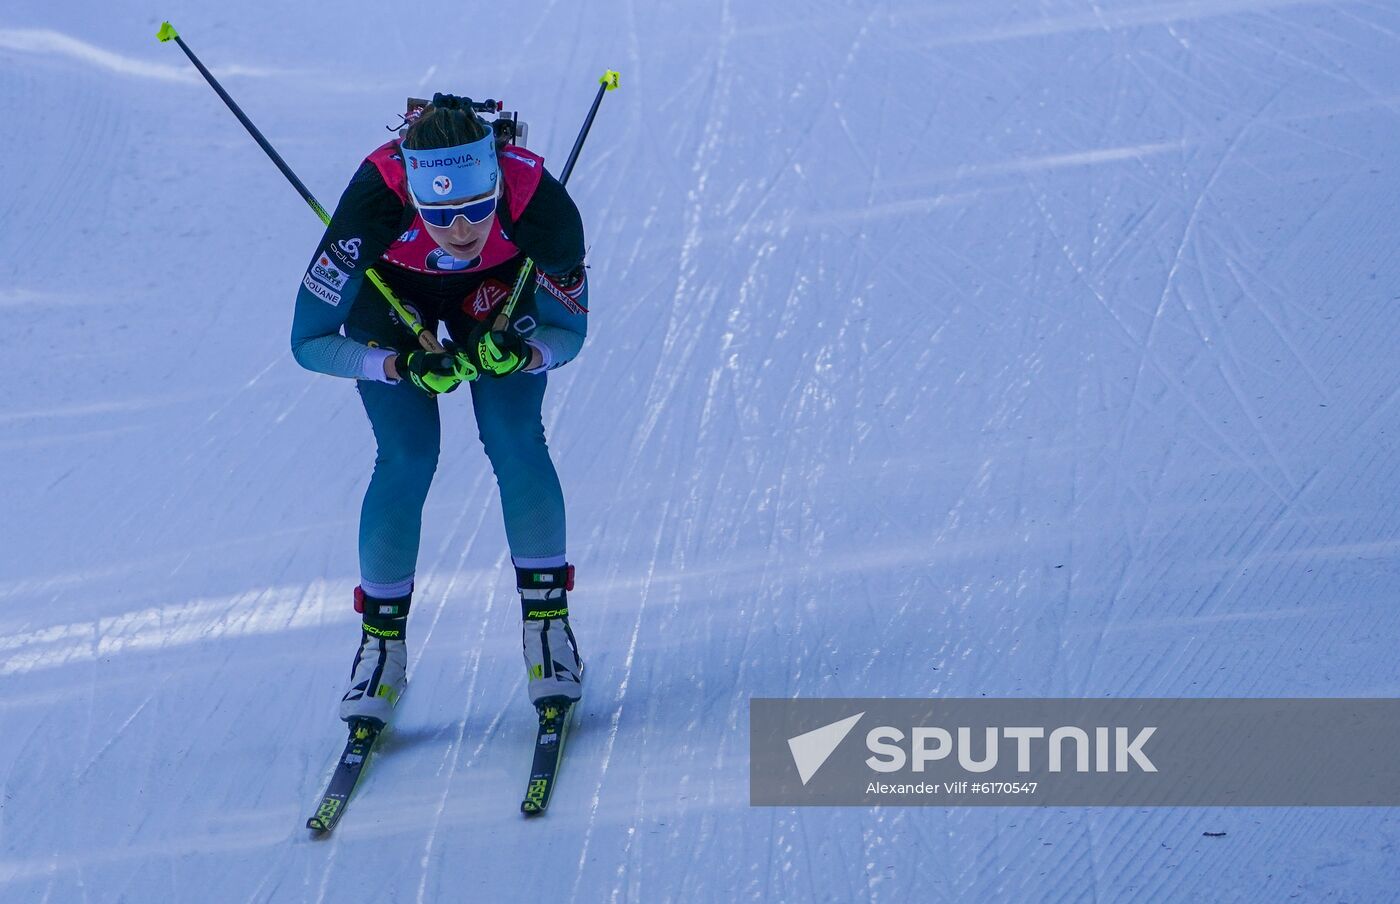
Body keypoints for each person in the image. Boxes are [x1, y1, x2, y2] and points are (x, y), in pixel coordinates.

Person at [289, 93, 587, 726]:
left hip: (501, 289)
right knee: (407, 454)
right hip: (391, 292)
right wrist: (395, 366)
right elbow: (308, 343)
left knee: (514, 435)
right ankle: (380, 647)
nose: (461, 231)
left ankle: (547, 628)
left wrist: (526, 355)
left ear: (497, 182)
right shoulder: (372, 204)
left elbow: (570, 332)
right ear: (411, 196)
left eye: (478, 207)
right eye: (440, 213)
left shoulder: (539, 202)